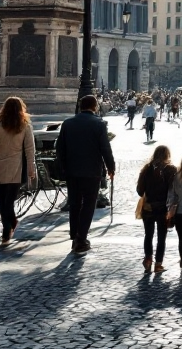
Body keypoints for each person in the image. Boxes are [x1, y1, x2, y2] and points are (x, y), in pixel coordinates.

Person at [54, 95, 116, 254]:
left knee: (74, 203)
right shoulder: (99, 124)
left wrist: (63, 166)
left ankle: (74, 234)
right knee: (89, 204)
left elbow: (60, 148)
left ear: (80, 106)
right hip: (92, 171)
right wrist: (111, 167)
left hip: (72, 171)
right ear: (95, 107)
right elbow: (105, 149)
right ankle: (81, 239)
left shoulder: (68, 124)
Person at [0, 96, 37, 244]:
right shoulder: (25, 126)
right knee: (9, 200)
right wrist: (31, 169)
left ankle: (7, 228)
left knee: (2, 200)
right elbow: (29, 149)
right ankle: (9, 225)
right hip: (16, 167)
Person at [136, 145, 176, 273]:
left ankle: (148, 259)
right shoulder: (171, 170)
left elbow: (139, 191)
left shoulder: (146, 169)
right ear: (167, 155)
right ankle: (158, 264)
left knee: (148, 234)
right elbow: (173, 190)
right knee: (161, 237)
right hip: (163, 208)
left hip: (148, 208)